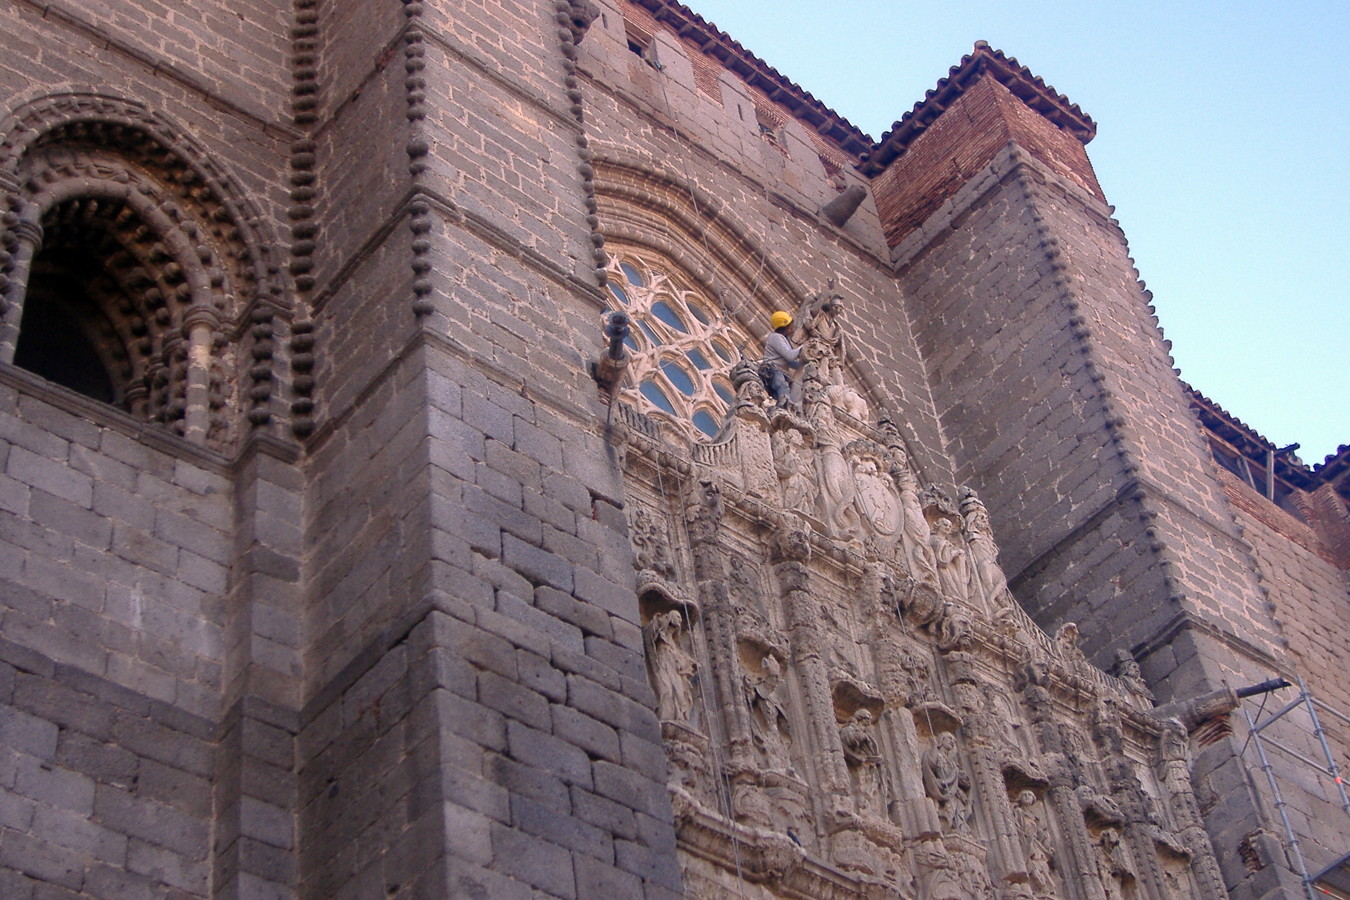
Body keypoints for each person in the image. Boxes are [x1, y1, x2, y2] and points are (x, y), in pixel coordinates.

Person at [761, 310, 801, 407]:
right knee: (782, 387)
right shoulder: (775, 337)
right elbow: (790, 356)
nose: (792, 330)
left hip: (780, 371)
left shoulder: (783, 339)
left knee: (778, 394)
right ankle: (786, 407)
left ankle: (781, 408)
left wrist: (803, 365)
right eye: (790, 328)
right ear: (783, 327)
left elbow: (790, 362)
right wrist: (804, 348)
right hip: (773, 370)